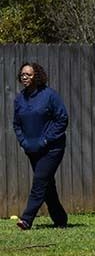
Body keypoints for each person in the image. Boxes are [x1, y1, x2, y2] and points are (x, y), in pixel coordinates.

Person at [12, 62, 69, 230]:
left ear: (37, 76)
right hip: (32, 150)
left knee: (39, 182)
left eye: (28, 74)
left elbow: (62, 119)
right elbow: (16, 124)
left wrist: (46, 140)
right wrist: (24, 142)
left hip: (52, 148)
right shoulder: (19, 99)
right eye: (22, 74)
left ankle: (26, 219)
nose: (25, 77)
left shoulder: (49, 95)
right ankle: (60, 219)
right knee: (47, 185)